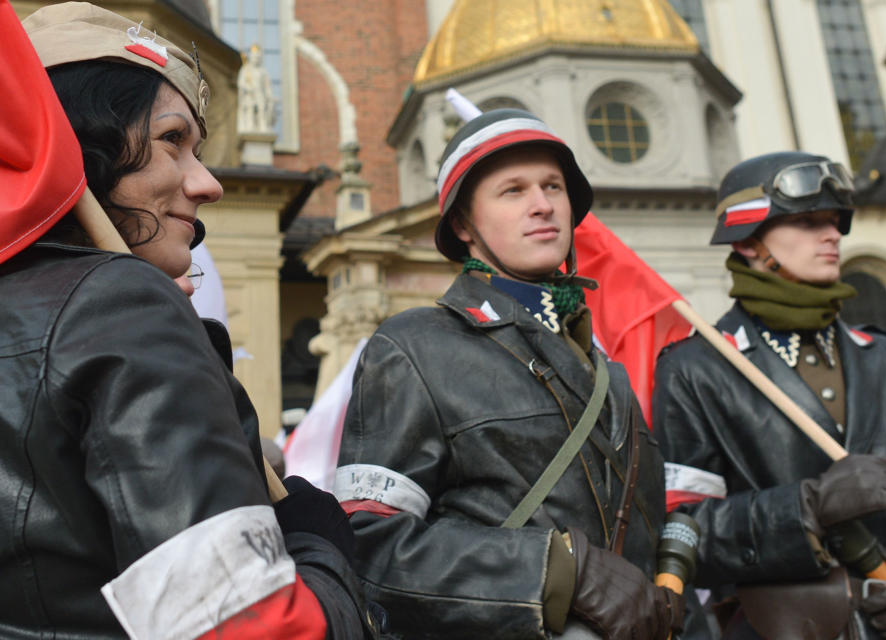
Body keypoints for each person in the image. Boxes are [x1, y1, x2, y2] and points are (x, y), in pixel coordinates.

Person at [0, 3, 373, 637]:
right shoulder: (124, 305)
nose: (208, 184)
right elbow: (253, 628)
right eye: (173, 140)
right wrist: (320, 553)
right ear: (85, 145)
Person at [332, 108, 684, 639]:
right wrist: (559, 570)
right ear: (462, 225)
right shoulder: (413, 346)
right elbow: (371, 543)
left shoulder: (607, 370)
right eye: (513, 191)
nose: (543, 206)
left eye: (553, 186)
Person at [652, 151, 886, 639]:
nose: (834, 234)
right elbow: (683, 532)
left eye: (836, 221)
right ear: (750, 241)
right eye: (809, 220)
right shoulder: (695, 369)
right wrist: (806, 508)